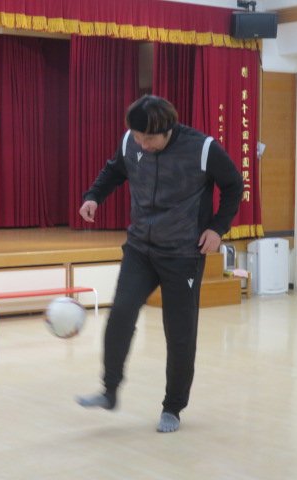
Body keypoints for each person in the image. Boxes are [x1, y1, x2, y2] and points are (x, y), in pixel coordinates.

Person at [76, 95, 244, 433]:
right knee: (121, 313)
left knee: (179, 333)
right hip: (140, 248)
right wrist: (93, 196)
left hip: (182, 254)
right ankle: (109, 391)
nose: (143, 144)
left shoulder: (203, 148)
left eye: (149, 138)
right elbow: (114, 170)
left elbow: (233, 186)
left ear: (168, 129)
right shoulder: (132, 140)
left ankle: (173, 407)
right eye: (138, 137)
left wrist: (217, 228)